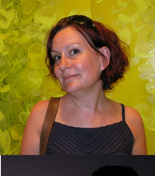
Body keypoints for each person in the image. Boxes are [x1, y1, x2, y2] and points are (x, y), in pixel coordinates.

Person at [21, 15, 147, 155]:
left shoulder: (131, 121)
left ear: (103, 58)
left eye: (74, 51)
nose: (62, 65)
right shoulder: (41, 115)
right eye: (57, 57)